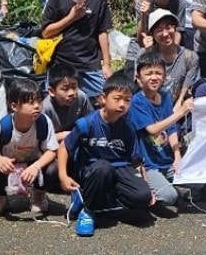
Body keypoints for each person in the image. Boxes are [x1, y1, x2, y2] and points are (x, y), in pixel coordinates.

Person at [58, 73, 156, 228]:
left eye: (127, 100)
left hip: (119, 167)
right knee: (103, 168)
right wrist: (63, 176)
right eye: (117, 98)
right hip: (93, 169)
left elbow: (136, 161)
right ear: (103, 98)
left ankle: (105, 202)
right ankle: (87, 210)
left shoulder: (128, 128)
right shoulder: (86, 124)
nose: (122, 104)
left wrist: (146, 187)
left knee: (142, 196)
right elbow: (64, 147)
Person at [0, 78, 60, 219]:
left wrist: (37, 166)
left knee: (54, 168)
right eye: (30, 102)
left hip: (32, 170)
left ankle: (39, 193)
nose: (37, 106)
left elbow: (52, 150)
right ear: (14, 106)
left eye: (39, 101)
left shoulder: (44, 122)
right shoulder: (2, 126)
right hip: (8, 170)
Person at [40, 0, 113, 98]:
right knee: (59, 102)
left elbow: (102, 32)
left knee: (105, 98)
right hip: (61, 63)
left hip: (90, 64)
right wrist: (71, 17)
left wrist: (106, 64)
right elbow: (46, 32)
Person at [129, 52, 194, 208]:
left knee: (198, 181)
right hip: (148, 165)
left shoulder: (165, 98)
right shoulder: (137, 101)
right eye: (148, 73)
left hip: (167, 161)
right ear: (138, 78)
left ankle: (172, 185)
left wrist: (177, 156)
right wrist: (180, 112)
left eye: (158, 73)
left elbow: (171, 129)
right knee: (169, 197)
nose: (154, 77)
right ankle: (152, 187)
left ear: (164, 77)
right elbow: (152, 129)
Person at [124, 8, 199, 100]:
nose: (165, 34)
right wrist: (148, 54)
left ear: (175, 29)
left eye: (168, 27)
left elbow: (186, 92)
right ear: (152, 34)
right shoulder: (143, 53)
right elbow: (139, 85)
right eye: (159, 30)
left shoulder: (190, 58)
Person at [42, 63, 92, 142]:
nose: (71, 93)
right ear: (51, 91)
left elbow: (91, 122)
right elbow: (40, 140)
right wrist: (64, 135)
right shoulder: (45, 108)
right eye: (65, 89)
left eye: (74, 87)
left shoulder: (82, 97)